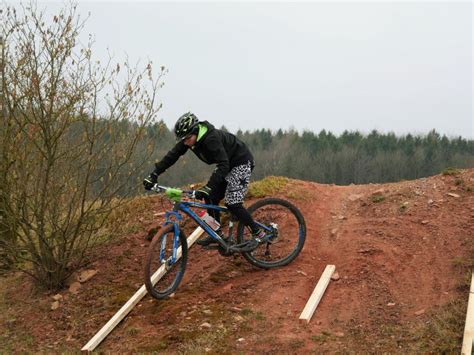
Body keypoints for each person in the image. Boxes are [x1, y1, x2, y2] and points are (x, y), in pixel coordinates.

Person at [143, 112, 265, 246]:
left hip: (240, 162)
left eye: (187, 138)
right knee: (211, 197)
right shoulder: (189, 139)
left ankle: (259, 233)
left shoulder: (210, 139)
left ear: (195, 131)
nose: (185, 142)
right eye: (182, 140)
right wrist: (154, 174)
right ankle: (216, 234)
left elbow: (223, 164)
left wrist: (208, 186)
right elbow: (172, 156)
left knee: (232, 203)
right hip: (227, 164)